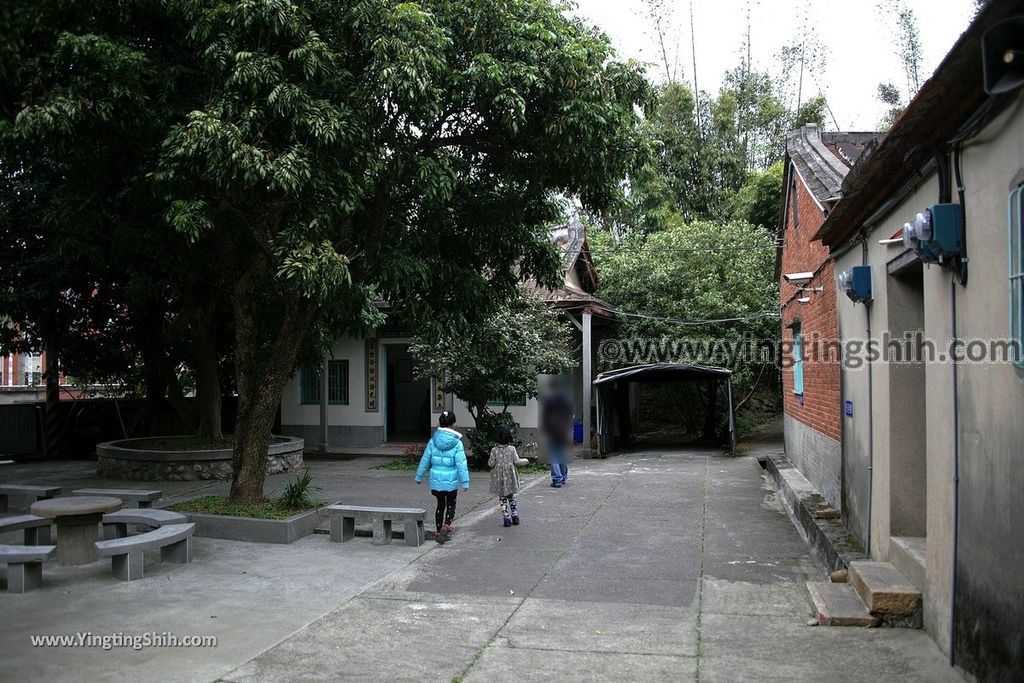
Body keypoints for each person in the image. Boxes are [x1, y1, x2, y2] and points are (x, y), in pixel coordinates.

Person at [415, 410, 469, 543]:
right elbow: (461, 464)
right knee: (451, 504)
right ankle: (446, 526)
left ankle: (439, 531)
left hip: (436, 481)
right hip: (450, 481)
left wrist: (419, 476)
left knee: (440, 505)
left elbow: (425, 460)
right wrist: (465, 482)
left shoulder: (433, 440)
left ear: (440, 423)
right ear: (454, 423)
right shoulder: (457, 443)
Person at [488, 424, 529, 527]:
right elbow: (517, 462)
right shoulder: (512, 449)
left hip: (499, 479)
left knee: (502, 498)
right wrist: (526, 460)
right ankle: (515, 515)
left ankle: (506, 518)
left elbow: (491, 464)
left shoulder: (494, 450)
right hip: (510, 479)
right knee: (511, 497)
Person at [540, 380, 573, 488]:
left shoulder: (548, 399)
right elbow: (570, 415)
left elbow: (545, 416)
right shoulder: (566, 400)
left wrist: (545, 430)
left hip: (553, 431)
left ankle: (557, 479)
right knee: (561, 454)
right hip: (563, 431)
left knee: (554, 455)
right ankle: (563, 477)